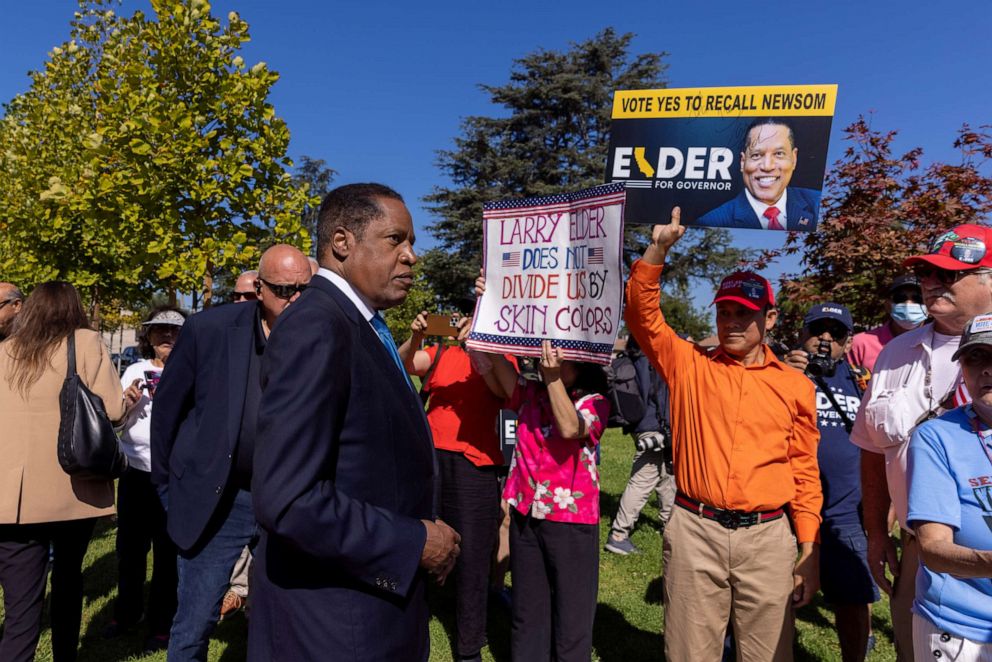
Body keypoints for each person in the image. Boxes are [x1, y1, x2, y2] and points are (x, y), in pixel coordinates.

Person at [249, 183, 460, 661]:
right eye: (395, 240)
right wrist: (413, 542)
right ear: (342, 242)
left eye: (412, 243)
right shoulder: (317, 327)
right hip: (336, 630)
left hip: (370, 614)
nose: (411, 256)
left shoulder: (360, 325)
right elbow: (288, 501)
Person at [625, 209, 821, 661]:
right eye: (725, 312)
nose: (731, 322)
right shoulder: (689, 364)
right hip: (695, 530)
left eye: (745, 314)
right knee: (689, 653)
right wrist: (658, 249)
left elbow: (804, 471)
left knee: (767, 654)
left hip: (768, 538)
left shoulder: (794, 385)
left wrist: (809, 549)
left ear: (770, 319)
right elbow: (641, 314)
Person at [151, 244, 311, 662]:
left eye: (303, 290)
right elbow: (168, 411)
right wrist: (168, 488)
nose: (295, 300)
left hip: (289, 498)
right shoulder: (210, 330)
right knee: (195, 620)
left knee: (288, 618)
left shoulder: (320, 334)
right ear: (258, 288)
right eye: (283, 289)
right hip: (219, 498)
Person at [852, 223, 992, 661]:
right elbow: (874, 449)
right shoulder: (894, 353)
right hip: (923, 551)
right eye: (926, 273)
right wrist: (877, 533)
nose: (930, 284)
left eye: (947, 275)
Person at [470, 285, 609, 662]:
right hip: (525, 515)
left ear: (582, 362)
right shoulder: (530, 393)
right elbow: (494, 360)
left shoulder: (594, 402)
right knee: (527, 614)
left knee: (572, 620)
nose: (552, 357)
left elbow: (570, 427)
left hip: (570, 521)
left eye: (563, 355)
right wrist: (488, 303)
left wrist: (551, 380)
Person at [0, 282, 125, 662]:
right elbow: (114, 410)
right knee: (70, 581)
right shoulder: (85, 342)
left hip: (13, 495)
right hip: (73, 486)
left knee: (20, 609)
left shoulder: (4, 350)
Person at [398, 311, 507, 662]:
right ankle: (408, 623)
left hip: (475, 466)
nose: (462, 323)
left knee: (474, 561)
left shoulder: (501, 354)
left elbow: (503, 391)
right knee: (417, 541)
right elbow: (400, 366)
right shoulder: (440, 352)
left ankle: (469, 648)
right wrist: (415, 338)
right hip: (429, 461)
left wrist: (477, 346)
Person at [784, 303, 879, 662]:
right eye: (817, 330)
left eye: (835, 333)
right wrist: (784, 376)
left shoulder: (861, 380)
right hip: (786, 510)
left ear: (847, 341)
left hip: (845, 512)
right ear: (801, 334)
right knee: (778, 595)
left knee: (854, 599)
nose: (824, 339)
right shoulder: (778, 370)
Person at [906, 312, 992, 659]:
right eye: (975, 358)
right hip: (960, 626)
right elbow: (932, 548)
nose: (986, 369)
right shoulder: (936, 437)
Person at [104, 306, 186, 652]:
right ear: (148, 336)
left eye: (173, 331)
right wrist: (127, 402)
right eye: (159, 330)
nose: (166, 336)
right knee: (130, 551)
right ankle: (127, 611)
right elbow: (116, 425)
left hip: (176, 478)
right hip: (136, 475)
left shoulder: (193, 369)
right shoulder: (134, 371)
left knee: (168, 557)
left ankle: (162, 622)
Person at [604, 334, 676, 555]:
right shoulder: (655, 358)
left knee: (666, 474)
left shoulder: (635, 354)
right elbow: (661, 397)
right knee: (643, 479)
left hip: (641, 424)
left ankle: (669, 525)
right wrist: (670, 429)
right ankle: (618, 534)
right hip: (656, 426)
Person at [696, 118, 821, 231]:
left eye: (779, 154)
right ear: (742, 162)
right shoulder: (713, 222)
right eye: (756, 155)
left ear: (794, 159)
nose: (767, 166)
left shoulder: (819, 205)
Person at [849, 274, 926, 371]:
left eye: (918, 298)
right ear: (888, 305)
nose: (908, 304)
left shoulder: (938, 345)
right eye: (900, 298)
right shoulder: (860, 345)